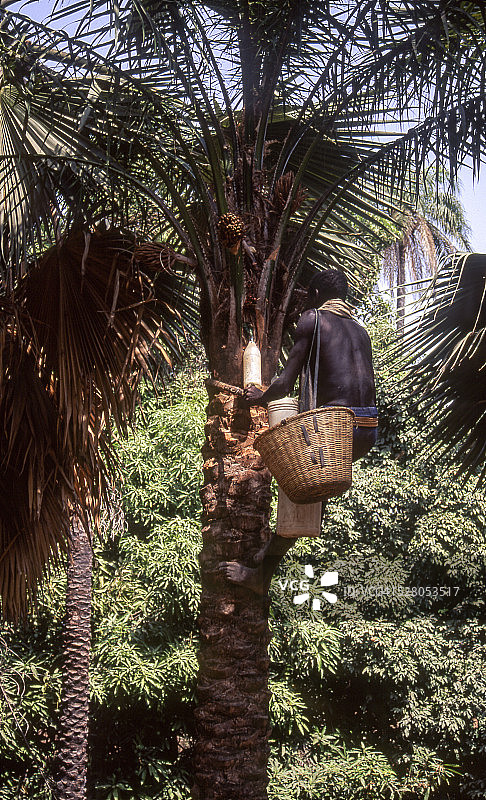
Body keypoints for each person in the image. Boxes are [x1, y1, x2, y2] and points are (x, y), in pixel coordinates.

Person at [218, 268, 378, 595]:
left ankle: (261, 575)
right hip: (365, 430)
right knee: (308, 493)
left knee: (296, 484)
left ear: (316, 295)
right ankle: (267, 563)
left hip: (335, 429)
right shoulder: (361, 332)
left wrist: (260, 397)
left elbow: (285, 383)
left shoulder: (313, 319)